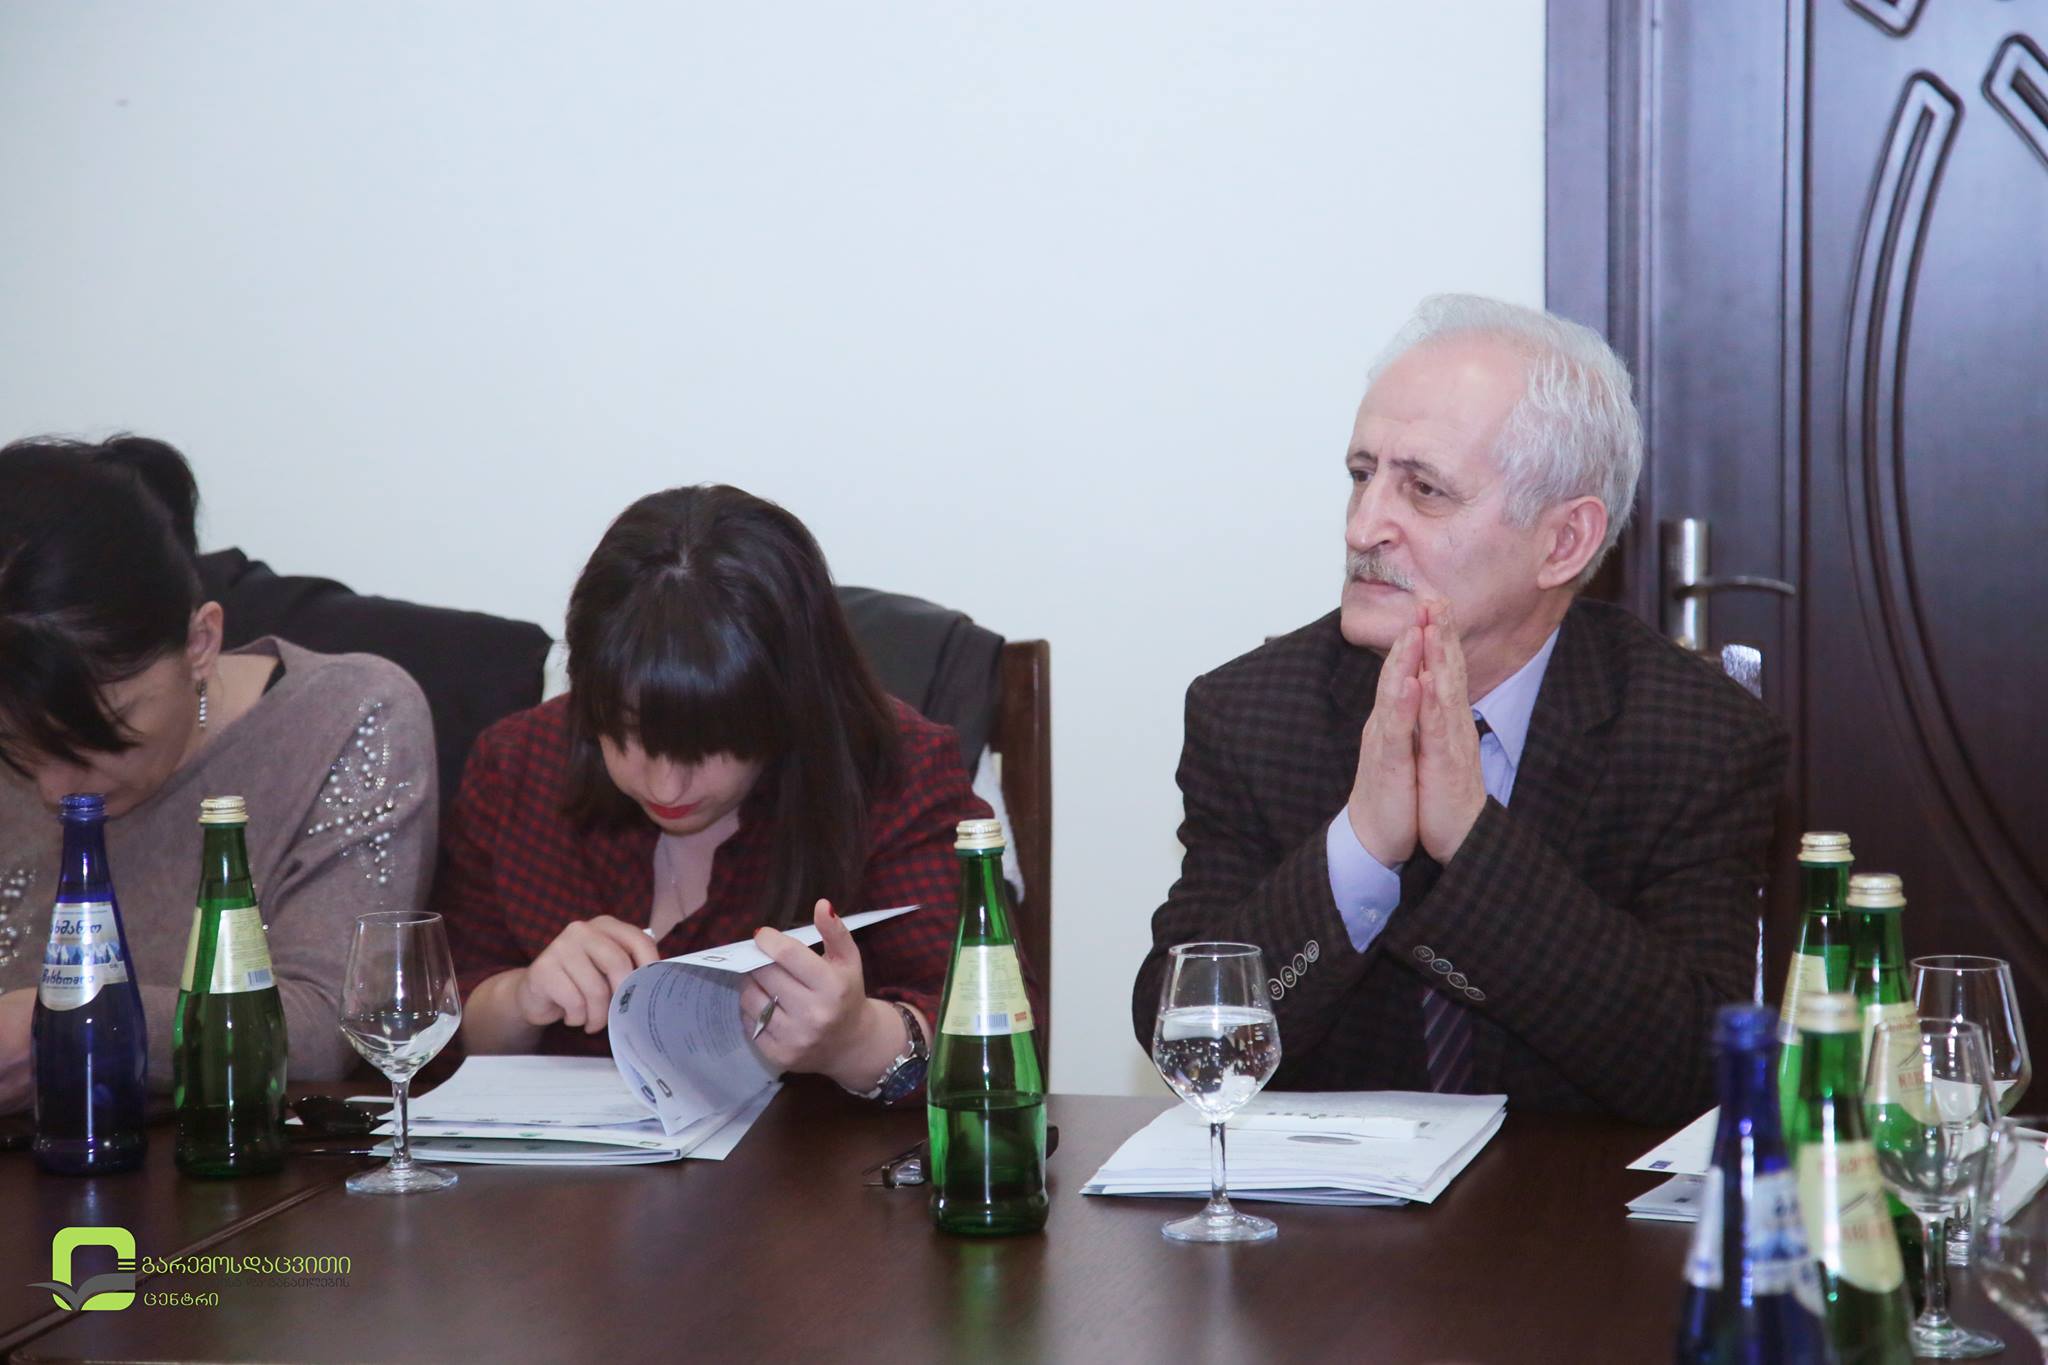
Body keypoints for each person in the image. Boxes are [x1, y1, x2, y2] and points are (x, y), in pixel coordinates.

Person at [1132, 295, 1787, 1125]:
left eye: (1425, 489)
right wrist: (1358, 848)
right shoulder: (1252, 714)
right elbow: (1186, 1037)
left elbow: (1701, 1072)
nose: (1364, 526)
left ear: (1564, 542)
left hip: (1575, 1205)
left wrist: (1474, 844)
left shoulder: (1698, 738)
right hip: (1327, 1211)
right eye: (1362, 475)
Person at [440, 484, 990, 1101]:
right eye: (626, 733)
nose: (665, 785)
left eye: (708, 745)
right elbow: (435, 1026)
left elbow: (990, 1031)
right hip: (563, 1160)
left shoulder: (894, 773)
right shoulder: (517, 765)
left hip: (810, 1160)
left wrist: (854, 1039)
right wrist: (522, 997)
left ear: (788, 702)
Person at [0, 436, 438, 1111]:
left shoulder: (345, 719)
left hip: (223, 1165)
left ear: (199, 643)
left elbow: (331, 1023)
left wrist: (74, 1021)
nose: (56, 789)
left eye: (93, 738)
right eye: (19, 747)